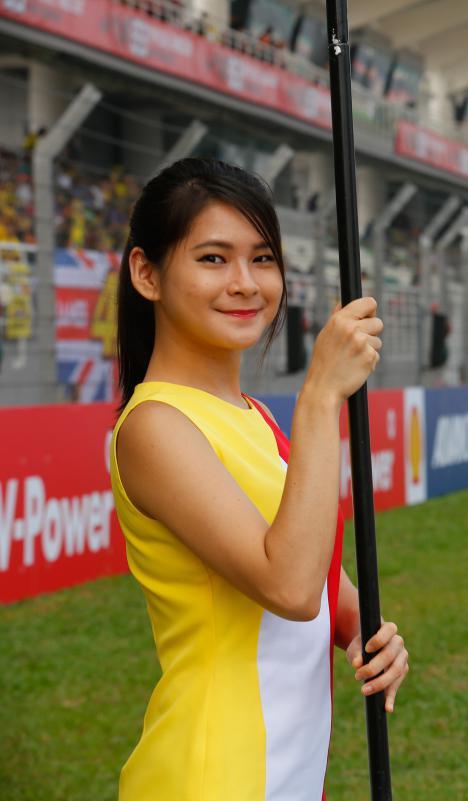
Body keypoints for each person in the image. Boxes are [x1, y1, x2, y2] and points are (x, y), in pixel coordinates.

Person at [109, 158, 409, 800]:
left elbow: (325, 589)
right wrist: (322, 397)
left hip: (286, 768)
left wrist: (366, 629)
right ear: (147, 273)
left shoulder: (254, 417)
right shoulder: (156, 426)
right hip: (215, 772)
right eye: (213, 259)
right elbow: (290, 586)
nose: (245, 283)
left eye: (263, 258)